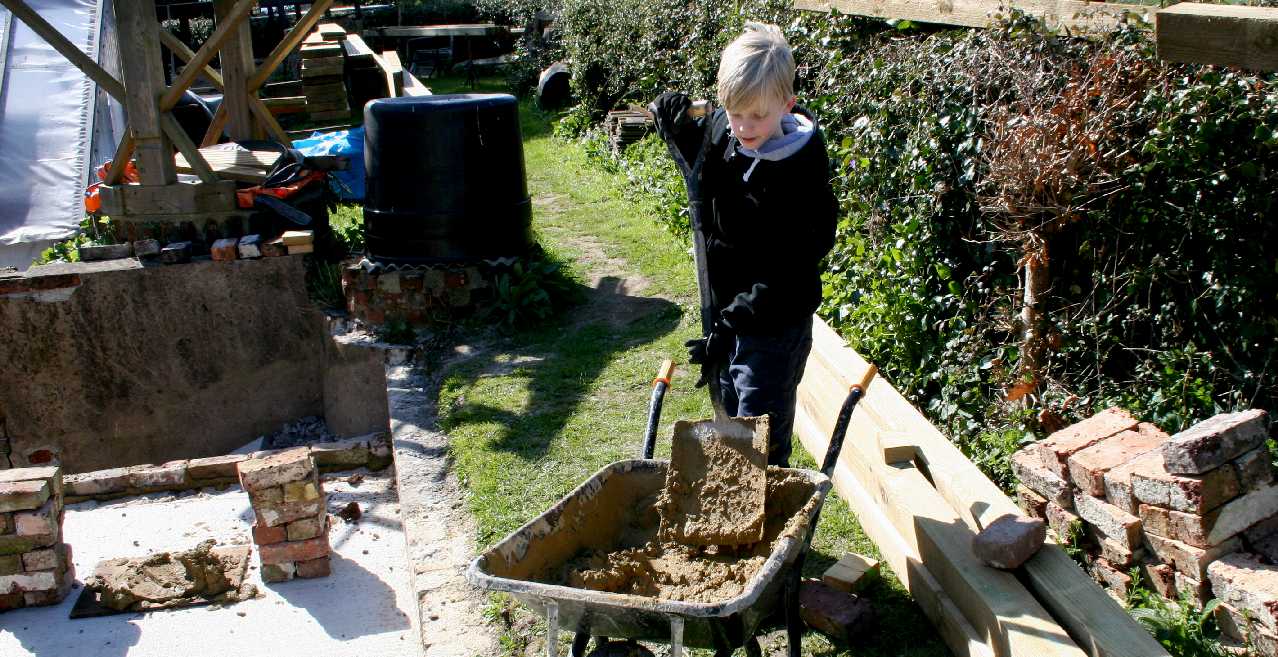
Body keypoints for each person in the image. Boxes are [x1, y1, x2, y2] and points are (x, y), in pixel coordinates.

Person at [651, 22, 838, 467]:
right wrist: (674, 120)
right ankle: (740, 518)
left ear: (787, 104)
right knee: (733, 415)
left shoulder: (800, 176)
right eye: (735, 112)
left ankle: (771, 525)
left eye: (757, 116)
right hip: (728, 313)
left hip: (775, 321)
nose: (743, 127)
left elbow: (787, 272)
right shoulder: (727, 129)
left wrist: (730, 324)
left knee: (761, 433)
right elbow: (701, 153)